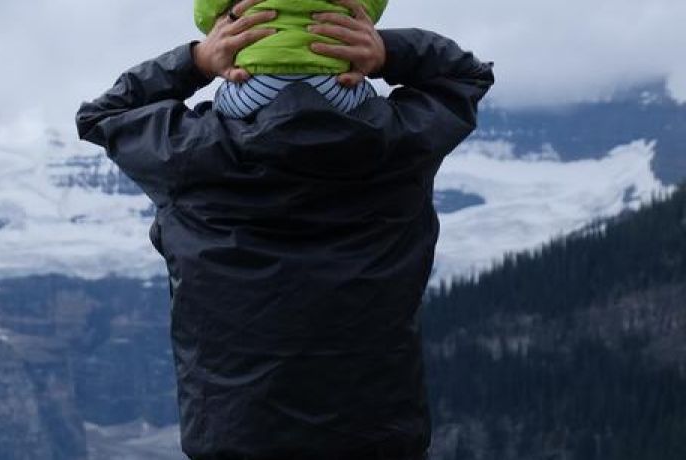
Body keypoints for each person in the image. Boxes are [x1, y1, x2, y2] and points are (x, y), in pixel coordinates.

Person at [75, 0, 495, 458]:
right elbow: (465, 76)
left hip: (234, 442)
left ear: (235, 53)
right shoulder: (398, 145)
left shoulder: (187, 155)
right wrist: (389, 53)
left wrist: (194, 61)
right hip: (377, 441)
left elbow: (102, 116)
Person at [195, 0, 389, 118]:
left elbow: (203, 16)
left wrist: (199, 60)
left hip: (253, 86)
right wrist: (387, 55)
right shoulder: (399, 149)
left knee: (220, 104)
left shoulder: (209, 151)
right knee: (370, 98)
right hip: (335, 85)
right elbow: (371, 10)